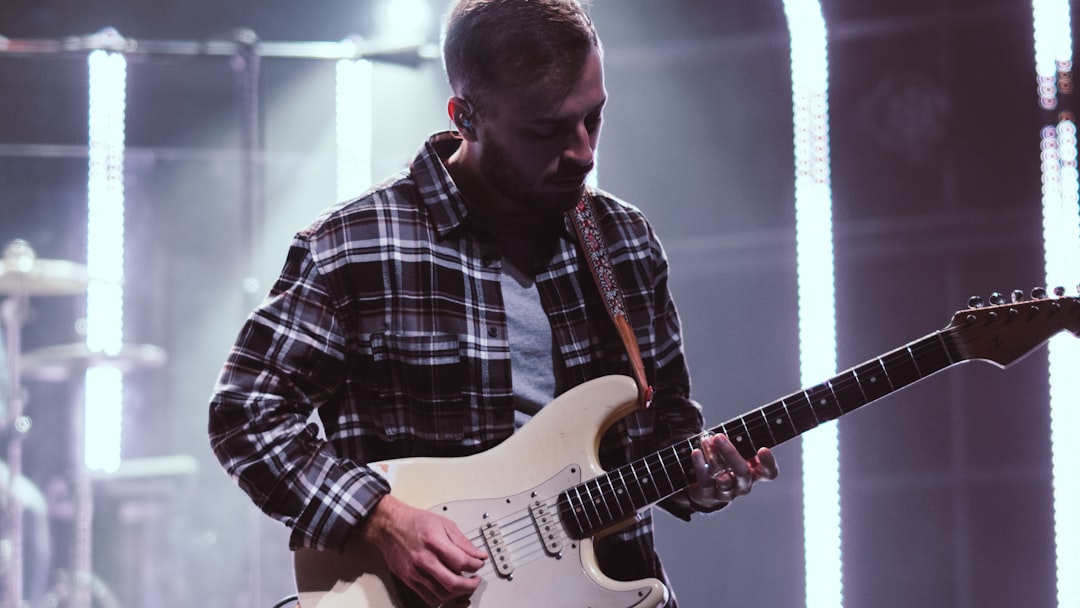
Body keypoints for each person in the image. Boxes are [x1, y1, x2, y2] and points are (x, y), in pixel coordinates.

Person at [208, 1, 778, 606]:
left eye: (594, 118)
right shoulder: (356, 245)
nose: (583, 151)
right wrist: (380, 518)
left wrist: (700, 478)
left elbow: (668, 428)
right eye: (547, 131)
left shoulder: (624, 242)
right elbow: (246, 412)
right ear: (468, 117)